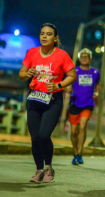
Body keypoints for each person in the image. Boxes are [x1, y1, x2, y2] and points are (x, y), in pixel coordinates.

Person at [19, 23, 76, 183]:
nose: (44, 36)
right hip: (34, 98)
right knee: (35, 137)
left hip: (53, 100)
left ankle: (49, 167)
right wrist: (27, 73)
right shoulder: (31, 53)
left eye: (48, 34)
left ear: (55, 38)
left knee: (44, 135)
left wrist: (58, 85)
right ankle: (38, 170)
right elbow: (21, 74)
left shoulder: (62, 55)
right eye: (42, 33)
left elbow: (72, 76)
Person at [65, 48, 100, 165]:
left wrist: (97, 93)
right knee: (74, 131)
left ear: (90, 59)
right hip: (75, 102)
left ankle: (80, 153)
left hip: (88, 103)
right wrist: (67, 88)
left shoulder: (95, 72)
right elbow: (65, 84)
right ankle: (75, 152)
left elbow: (98, 84)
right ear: (79, 59)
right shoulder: (74, 71)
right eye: (82, 57)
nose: (84, 58)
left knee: (83, 126)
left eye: (87, 57)